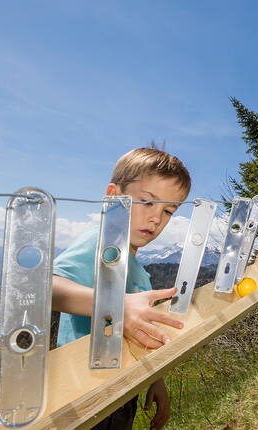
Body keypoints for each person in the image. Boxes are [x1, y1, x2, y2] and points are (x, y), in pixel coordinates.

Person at [52, 147, 190, 429]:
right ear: (113, 196)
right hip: (83, 391)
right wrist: (114, 305)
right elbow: (46, 287)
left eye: (168, 211)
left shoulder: (140, 273)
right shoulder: (98, 242)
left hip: (123, 391)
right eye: (146, 202)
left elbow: (140, 333)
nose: (156, 218)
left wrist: (156, 379)